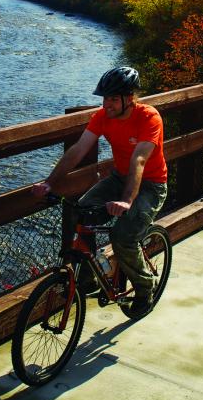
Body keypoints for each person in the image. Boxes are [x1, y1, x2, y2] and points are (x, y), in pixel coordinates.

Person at [32, 66, 168, 319]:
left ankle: (145, 287)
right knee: (80, 211)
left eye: (114, 99)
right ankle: (88, 278)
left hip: (150, 183)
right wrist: (50, 182)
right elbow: (78, 150)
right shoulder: (102, 117)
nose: (107, 104)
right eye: (105, 98)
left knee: (123, 237)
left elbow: (139, 160)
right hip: (119, 178)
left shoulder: (149, 118)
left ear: (130, 98)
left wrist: (127, 201)